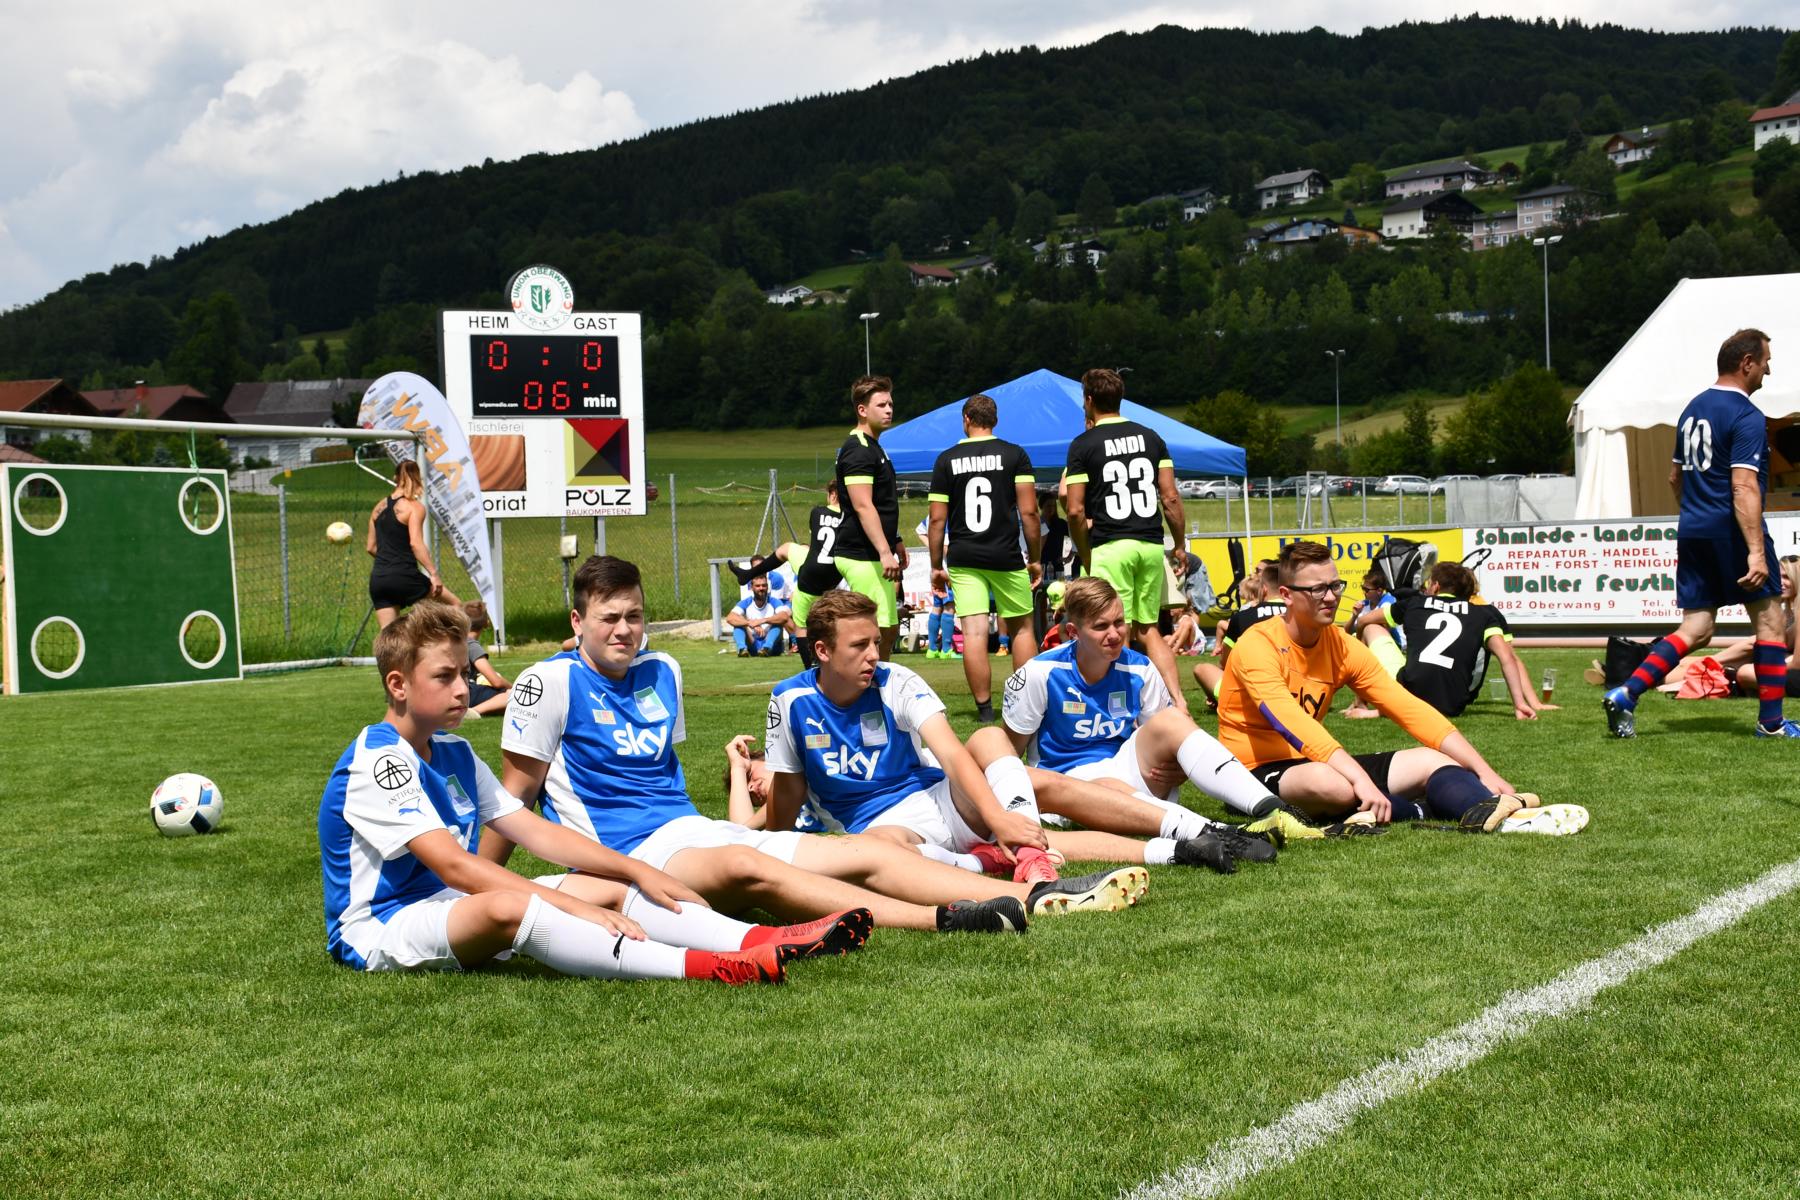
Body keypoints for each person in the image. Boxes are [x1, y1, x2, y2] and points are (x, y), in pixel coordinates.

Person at [485, 554, 1138, 933]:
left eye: (634, 616)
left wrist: (741, 804)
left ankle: (1036, 897)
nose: (625, 631)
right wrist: (478, 886)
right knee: (753, 868)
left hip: (692, 832)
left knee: (861, 851)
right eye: (609, 619)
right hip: (627, 853)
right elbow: (511, 801)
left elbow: (666, 780)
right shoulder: (548, 683)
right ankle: (950, 917)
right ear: (578, 621)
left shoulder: (665, 670)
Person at [318, 601, 867, 986]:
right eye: (445, 677)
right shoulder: (379, 759)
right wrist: (563, 903)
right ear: (397, 685)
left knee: (608, 886)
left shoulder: (454, 751)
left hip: (449, 907)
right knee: (514, 904)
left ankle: (764, 938)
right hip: (382, 927)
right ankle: (713, 967)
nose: (465, 689)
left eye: (465, 674)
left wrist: (635, 871)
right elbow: (455, 867)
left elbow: (533, 830)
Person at [764, 587, 1159, 905]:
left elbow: (951, 753)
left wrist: (998, 817)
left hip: (941, 799)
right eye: (859, 646)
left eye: (876, 642)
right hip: (882, 830)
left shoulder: (895, 679)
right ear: (822, 651)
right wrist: (770, 850)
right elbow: (787, 788)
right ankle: (986, 862)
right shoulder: (790, 700)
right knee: (873, 850)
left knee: (990, 739)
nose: (873, 655)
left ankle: (1035, 857)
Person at [1216, 540, 1586, 835]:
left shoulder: (1341, 644)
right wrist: (1359, 779)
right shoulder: (1257, 646)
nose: (1330, 597)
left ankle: (1500, 816)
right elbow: (1292, 722)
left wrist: (1483, 770)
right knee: (1334, 785)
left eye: (1335, 586)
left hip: (1314, 762)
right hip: (1249, 773)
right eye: (1317, 589)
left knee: (1436, 760)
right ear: (1286, 594)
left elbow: (1408, 707)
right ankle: (1419, 808)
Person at [1000, 576, 1289, 857]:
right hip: (1064, 788)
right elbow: (1008, 755)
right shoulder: (1039, 673)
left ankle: (1273, 809)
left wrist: (1181, 764)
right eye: (1101, 626)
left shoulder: (1140, 667)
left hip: (1125, 770)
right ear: (1074, 632)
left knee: (1173, 719)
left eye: (1119, 622)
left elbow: (1166, 737)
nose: (1114, 634)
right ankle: (1218, 831)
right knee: (1108, 786)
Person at [1605, 330, 1798, 738]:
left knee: (1696, 629)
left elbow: (1675, 478)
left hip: (1693, 529)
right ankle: (1771, 723)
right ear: (1747, 363)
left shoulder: (1692, 409)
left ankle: (1626, 692)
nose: (1768, 371)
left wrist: (1696, 514)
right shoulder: (1745, 414)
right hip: (1732, 531)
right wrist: (1755, 551)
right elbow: (1743, 485)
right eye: (1766, 362)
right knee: (1769, 623)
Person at [1063, 368, 1189, 711]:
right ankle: (1178, 702)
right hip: (1150, 543)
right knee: (1148, 628)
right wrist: (1179, 544)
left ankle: (1126, 707)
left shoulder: (1083, 444)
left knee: (1114, 630)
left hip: (1111, 543)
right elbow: (1170, 497)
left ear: (1089, 400)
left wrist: (1085, 551)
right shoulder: (1151, 437)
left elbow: (1074, 509)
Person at [927, 393, 1042, 722]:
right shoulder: (1015, 454)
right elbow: (1029, 513)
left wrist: (935, 566)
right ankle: (1025, 706)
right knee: (1022, 630)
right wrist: (1035, 558)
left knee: (974, 633)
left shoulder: (946, 459)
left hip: (964, 556)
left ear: (966, 419)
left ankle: (985, 711)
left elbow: (937, 520)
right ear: (995, 420)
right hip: (1006, 554)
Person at [1350, 561, 1552, 720]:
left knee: (1370, 627)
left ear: (1436, 586)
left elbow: (1364, 621)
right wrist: (1519, 704)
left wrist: (1360, 643)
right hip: (1454, 703)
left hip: (1408, 696)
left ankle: (1362, 703)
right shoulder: (1483, 613)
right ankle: (1382, 707)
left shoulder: (1416, 603)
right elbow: (1506, 657)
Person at [730, 480, 845, 665]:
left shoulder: (817, 512)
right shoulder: (852, 517)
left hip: (811, 574)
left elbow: (819, 539)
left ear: (832, 495)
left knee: (801, 627)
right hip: (835, 574)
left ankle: (810, 667)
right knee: (788, 548)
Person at [833, 375, 905, 659]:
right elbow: (863, 505)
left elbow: (881, 503)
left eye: (890, 404)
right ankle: (861, 683)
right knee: (873, 632)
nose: (889, 410)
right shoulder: (859, 450)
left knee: (887, 629)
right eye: (881, 405)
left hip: (874, 552)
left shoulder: (874, 446)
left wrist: (895, 540)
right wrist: (885, 551)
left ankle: (874, 682)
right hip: (861, 553)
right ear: (862, 410)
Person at [365, 460, 458, 629]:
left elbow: (370, 547)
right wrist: (433, 574)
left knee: (389, 636)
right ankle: (460, 646)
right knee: (456, 606)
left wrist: (389, 561)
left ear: (395, 478)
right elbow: (416, 544)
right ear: (417, 479)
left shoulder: (378, 508)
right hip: (405, 576)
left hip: (379, 579)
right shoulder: (414, 507)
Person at [1191, 560, 1286, 705]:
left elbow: (1225, 661)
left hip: (1248, 698)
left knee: (1201, 669)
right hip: (1295, 692)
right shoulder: (1298, 617)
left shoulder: (1242, 617)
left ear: (1263, 589)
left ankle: (1219, 700)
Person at [460, 601, 513, 719]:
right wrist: (514, 688)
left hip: (452, 691)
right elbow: (496, 682)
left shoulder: (456, 640)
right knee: (513, 697)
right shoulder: (471, 644)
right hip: (466, 692)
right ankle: (474, 711)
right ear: (487, 623)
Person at [726, 573, 794, 657]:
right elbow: (730, 618)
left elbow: (784, 617)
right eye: (757, 586)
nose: (761, 588)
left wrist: (761, 621)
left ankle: (766, 648)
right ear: (752, 587)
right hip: (753, 643)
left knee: (778, 623)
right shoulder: (746, 602)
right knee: (738, 624)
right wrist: (749, 623)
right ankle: (742, 649)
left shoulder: (774, 601)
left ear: (767, 587)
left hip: (772, 645)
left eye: (764, 585)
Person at [925, 584, 957, 659]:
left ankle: (932, 650)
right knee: (949, 607)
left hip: (937, 578)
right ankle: (946, 651)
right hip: (947, 579)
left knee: (937, 607)